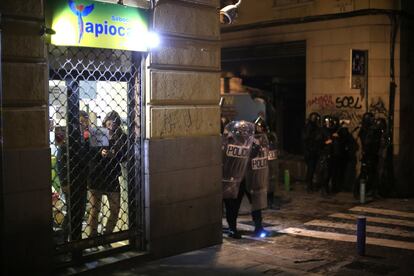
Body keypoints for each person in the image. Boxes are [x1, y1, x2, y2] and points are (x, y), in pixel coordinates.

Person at [87, 111, 127, 237]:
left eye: (115, 122)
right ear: (105, 121)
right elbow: (90, 154)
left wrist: (115, 154)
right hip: (97, 174)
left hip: (112, 176)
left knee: (115, 209)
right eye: (110, 121)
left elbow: (125, 156)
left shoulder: (121, 136)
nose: (112, 124)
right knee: (95, 210)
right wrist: (101, 153)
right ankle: (92, 238)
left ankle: (106, 235)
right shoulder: (99, 133)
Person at [56, 110, 90, 242]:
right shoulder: (67, 139)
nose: (82, 125)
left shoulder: (84, 139)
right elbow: (60, 162)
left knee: (80, 212)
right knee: (72, 212)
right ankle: (63, 241)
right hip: (71, 182)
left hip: (82, 181)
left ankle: (75, 242)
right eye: (80, 122)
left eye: (84, 122)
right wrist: (64, 183)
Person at [222, 120, 255, 239]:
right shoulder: (227, 142)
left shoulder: (247, 143)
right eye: (241, 131)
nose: (243, 133)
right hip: (228, 179)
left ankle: (232, 227)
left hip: (241, 180)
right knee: (230, 205)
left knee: (235, 206)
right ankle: (231, 228)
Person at [358, 112, 382, 198]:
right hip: (369, 153)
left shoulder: (369, 129)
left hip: (370, 153)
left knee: (371, 172)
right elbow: (364, 142)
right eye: (371, 118)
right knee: (368, 172)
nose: (373, 120)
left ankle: (369, 190)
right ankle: (364, 190)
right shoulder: (368, 129)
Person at [302, 112, 322, 192]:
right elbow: (307, 139)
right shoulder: (310, 127)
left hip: (312, 151)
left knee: (312, 169)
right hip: (311, 152)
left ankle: (310, 185)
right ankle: (309, 186)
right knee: (311, 169)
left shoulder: (311, 127)